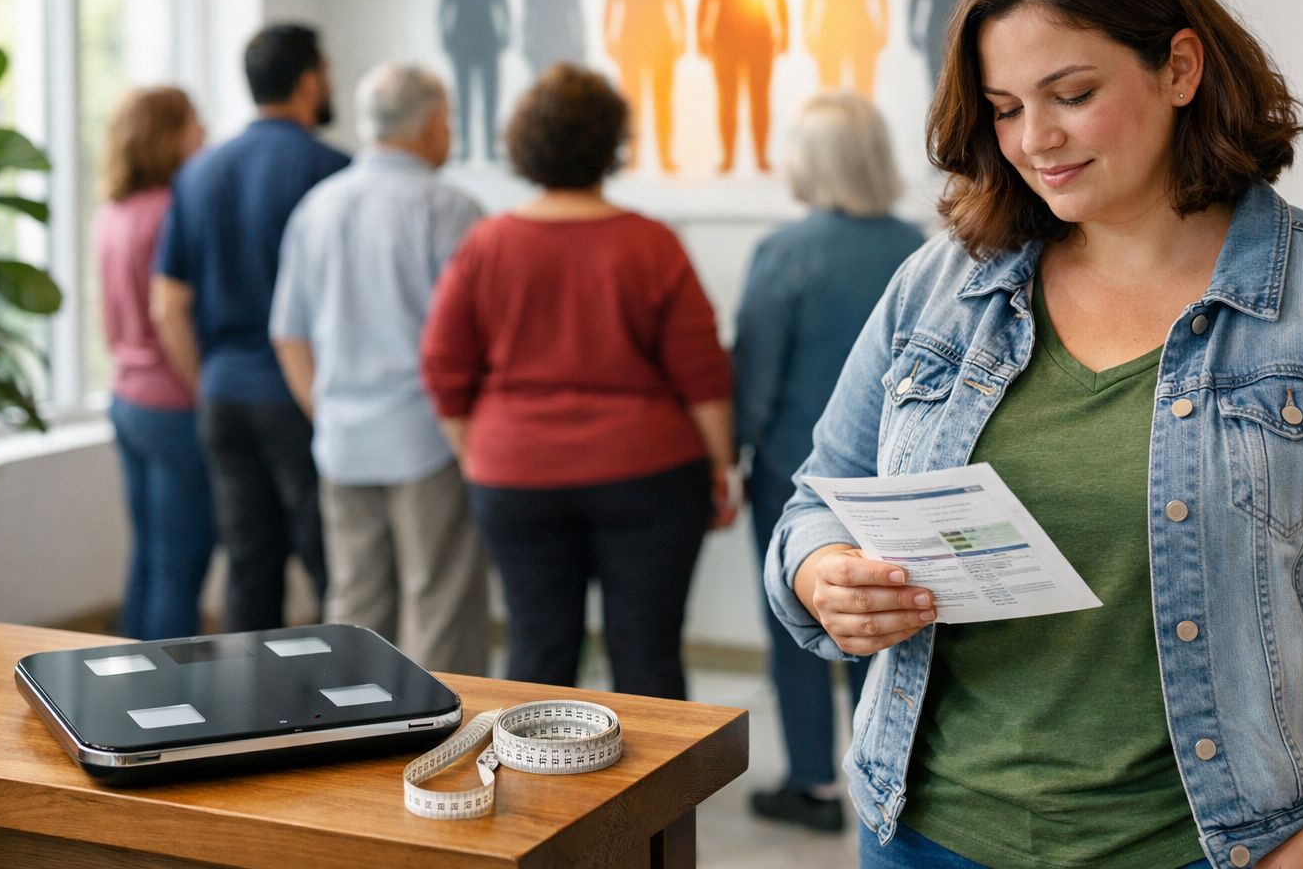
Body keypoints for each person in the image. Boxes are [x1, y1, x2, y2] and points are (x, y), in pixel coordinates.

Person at [766, 0, 1303, 869]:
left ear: (1180, 68)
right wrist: (823, 578)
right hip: (934, 838)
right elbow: (816, 503)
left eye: (1072, 93)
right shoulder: (939, 289)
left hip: (1247, 847)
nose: (1034, 139)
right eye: (1006, 107)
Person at [421, 64, 736, 700]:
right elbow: (701, 373)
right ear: (610, 142)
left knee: (537, 652)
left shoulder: (486, 244)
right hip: (647, 471)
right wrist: (722, 466)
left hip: (516, 474)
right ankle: (657, 803)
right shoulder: (652, 243)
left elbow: (442, 365)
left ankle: (539, 799)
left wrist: (474, 452)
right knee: (647, 655)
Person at [735, 91, 925, 831]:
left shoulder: (783, 252)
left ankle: (813, 783)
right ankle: (886, 770)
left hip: (795, 474)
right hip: (903, 481)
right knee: (890, 620)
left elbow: (756, 380)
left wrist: (731, 453)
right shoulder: (920, 249)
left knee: (802, 620)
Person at [270, 63, 489, 674]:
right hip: (429, 437)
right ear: (433, 123)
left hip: (342, 436)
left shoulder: (318, 206)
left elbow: (288, 334)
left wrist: (328, 410)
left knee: (355, 603)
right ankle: (442, 750)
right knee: (439, 600)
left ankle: (352, 741)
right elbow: (479, 337)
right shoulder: (450, 209)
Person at [153, 23, 349, 632]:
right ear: (310, 79)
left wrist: (206, 379)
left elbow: (167, 306)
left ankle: (246, 715)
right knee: (329, 565)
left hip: (223, 394)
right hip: (301, 395)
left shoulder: (199, 174)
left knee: (249, 565)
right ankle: (347, 712)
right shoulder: (332, 171)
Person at [95, 86, 214, 640]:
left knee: (147, 556)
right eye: (194, 124)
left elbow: (108, 318)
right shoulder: (172, 211)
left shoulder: (112, 213)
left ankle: (127, 685)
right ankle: (169, 706)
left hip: (126, 398)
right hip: (172, 407)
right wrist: (202, 389)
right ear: (167, 135)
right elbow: (170, 313)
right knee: (179, 566)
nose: (204, 135)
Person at [697, 0, 788, 174]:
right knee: (727, 100)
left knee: (759, 99)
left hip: (759, 36)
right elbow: (705, 0)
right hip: (725, 38)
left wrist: (785, 32)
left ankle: (760, 157)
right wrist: (700, 35)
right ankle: (728, 158)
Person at [604, 0, 687, 173]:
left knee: (663, 102)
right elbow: (611, 5)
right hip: (631, 40)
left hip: (661, 40)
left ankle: (665, 157)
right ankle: (633, 156)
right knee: (632, 103)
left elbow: (677, 2)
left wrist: (681, 35)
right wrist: (609, 36)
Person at [439, 0, 510, 163]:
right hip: (463, 40)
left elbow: (503, 7)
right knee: (463, 96)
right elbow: (443, 9)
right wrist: (445, 36)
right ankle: (466, 146)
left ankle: (490, 146)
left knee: (490, 95)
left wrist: (505, 33)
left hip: (487, 38)